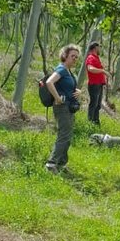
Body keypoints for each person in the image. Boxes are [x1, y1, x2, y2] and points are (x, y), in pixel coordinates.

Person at [44, 44, 82, 173]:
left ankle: (61, 164)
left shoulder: (69, 72)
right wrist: (57, 98)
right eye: (72, 56)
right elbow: (49, 82)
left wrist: (78, 91)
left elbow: (67, 87)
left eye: (76, 57)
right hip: (62, 107)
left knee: (68, 135)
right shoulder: (61, 69)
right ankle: (51, 163)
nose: (75, 59)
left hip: (69, 108)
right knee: (64, 135)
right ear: (65, 56)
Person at [84, 40, 109, 126]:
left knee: (98, 105)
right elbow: (90, 68)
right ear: (95, 47)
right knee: (93, 104)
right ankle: (90, 122)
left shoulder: (96, 58)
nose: (100, 49)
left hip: (99, 84)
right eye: (99, 47)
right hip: (94, 84)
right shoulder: (90, 57)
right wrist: (103, 71)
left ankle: (96, 122)